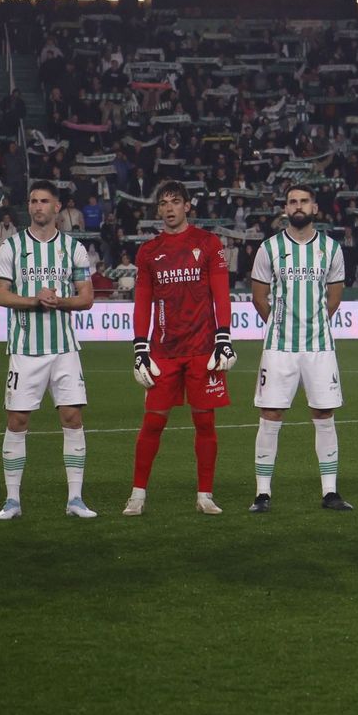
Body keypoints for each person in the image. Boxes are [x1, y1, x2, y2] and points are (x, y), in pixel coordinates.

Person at [125, 181, 237, 516]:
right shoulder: (148, 251)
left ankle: (205, 495)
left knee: (205, 424)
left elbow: (221, 292)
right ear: (158, 210)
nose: (170, 208)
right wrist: (140, 347)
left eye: (176, 201)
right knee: (153, 423)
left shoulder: (208, 243)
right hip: (164, 352)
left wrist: (224, 337)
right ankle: (137, 495)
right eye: (163, 203)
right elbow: (142, 300)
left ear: (187, 206)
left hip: (203, 351)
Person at [0, 181, 98, 520]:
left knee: (72, 418)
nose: (37, 207)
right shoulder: (12, 247)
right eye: (33, 201)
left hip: (65, 349)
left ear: (57, 207)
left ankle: (75, 499)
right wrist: (35, 301)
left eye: (44, 201)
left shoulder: (73, 248)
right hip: (25, 349)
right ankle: (12, 500)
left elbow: (87, 298)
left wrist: (59, 301)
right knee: (18, 419)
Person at [248, 184, 352, 513]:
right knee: (271, 414)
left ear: (314, 208)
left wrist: (315, 322)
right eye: (292, 201)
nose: (298, 206)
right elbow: (258, 295)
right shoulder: (270, 248)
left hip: (319, 346)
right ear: (285, 209)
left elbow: (334, 296)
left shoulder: (331, 249)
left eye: (303, 201)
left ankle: (330, 492)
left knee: (323, 413)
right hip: (279, 346)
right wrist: (279, 323)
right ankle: (262, 493)